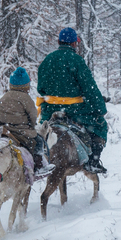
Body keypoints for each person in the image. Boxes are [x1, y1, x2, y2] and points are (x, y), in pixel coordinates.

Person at [36, 27, 108, 174]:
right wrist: (100, 109)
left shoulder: (47, 60)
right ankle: (93, 162)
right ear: (74, 44)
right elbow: (89, 88)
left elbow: (41, 88)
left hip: (49, 110)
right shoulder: (77, 61)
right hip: (74, 110)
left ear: (59, 42)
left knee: (39, 130)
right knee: (100, 125)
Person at [0, 67, 52, 176]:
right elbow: (33, 116)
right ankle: (39, 166)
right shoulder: (26, 98)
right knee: (38, 141)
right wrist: (30, 124)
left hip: (4, 129)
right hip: (20, 131)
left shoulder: (5, 96)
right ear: (26, 86)